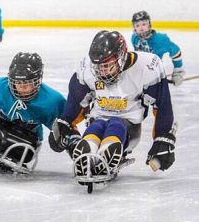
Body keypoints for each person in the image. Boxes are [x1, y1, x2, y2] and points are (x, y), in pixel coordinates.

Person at [49, 30, 176, 184]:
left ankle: (108, 149)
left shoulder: (147, 67)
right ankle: (89, 148)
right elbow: (76, 101)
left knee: (116, 124)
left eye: (107, 66)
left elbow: (162, 105)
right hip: (98, 117)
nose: (102, 72)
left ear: (121, 58)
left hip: (128, 125)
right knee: (97, 126)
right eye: (98, 67)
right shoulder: (86, 67)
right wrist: (66, 122)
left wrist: (162, 137)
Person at [131, 10, 185, 86]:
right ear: (134, 28)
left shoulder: (160, 39)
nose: (141, 28)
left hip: (156, 72)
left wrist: (178, 72)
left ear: (149, 24)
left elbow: (176, 52)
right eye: (137, 25)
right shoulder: (134, 38)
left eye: (144, 24)